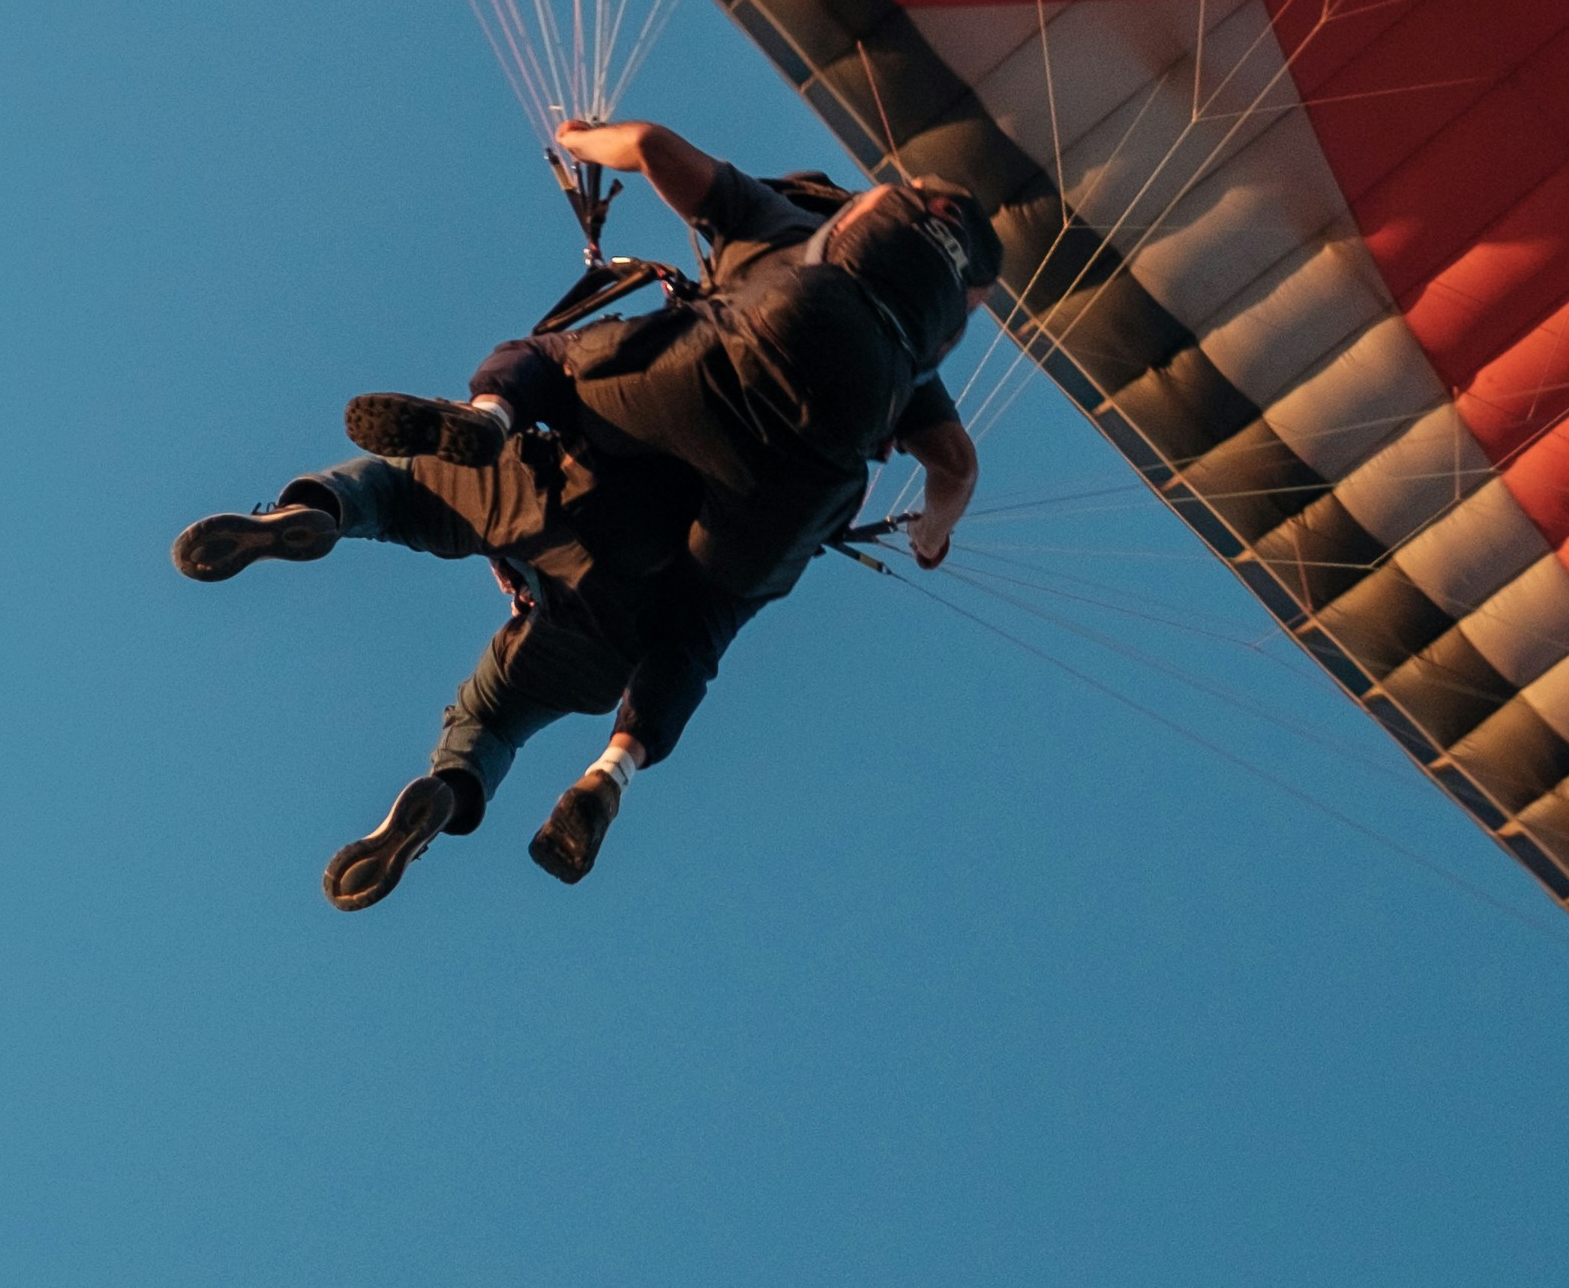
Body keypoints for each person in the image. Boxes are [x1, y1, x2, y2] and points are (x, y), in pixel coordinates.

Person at [174, 116, 990, 909]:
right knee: (685, 631)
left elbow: (647, 147)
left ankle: (457, 434)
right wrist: (929, 537)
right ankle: (608, 773)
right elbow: (956, 465)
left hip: (597, 460)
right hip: (716, 538)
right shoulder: (908, 368)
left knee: (485, 416)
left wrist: (574, 137)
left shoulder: (780, 227)